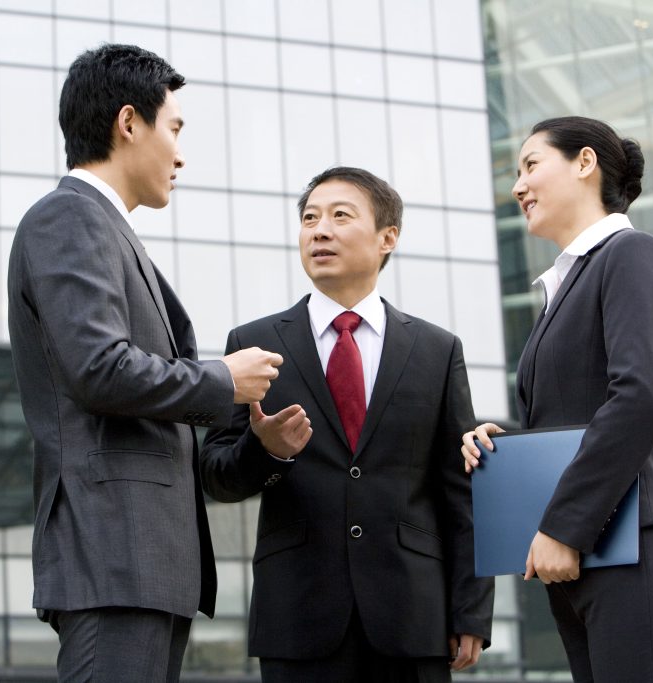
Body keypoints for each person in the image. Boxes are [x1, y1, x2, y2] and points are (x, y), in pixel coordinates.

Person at [7, 43, 283, 682]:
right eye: (175, 128)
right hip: (114, 556)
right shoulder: (69, 218)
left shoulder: (103, 229)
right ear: (129, 123)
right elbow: (99, 367)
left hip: (143, 564)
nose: (181, 153)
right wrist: (223, 381)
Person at [201, 167, 494, 682]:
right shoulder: (254, 344)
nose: (319, 230)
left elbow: (459, 490)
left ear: (388, 238)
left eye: (340, 216)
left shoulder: (436, 350)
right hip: (299, 615)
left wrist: (470, 608)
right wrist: (266, 450)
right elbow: (216, 474)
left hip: (414, 617)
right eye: (310, 218)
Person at [461, 116, 653, 681]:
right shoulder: (564, 286)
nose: (517, 186)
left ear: (585, 162)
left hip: (633, 545)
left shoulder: (633, 254)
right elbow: (578, 415)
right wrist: (500, 439)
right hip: (587, 558)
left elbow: (639, 399)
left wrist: (564, 527)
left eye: (530, 165)